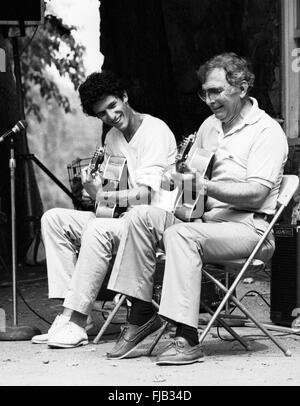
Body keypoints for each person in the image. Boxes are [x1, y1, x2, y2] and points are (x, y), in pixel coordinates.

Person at [106, 52, 288, 365]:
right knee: (141, 216)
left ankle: (186, 339)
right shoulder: (208, 127)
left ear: (242, 88)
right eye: (205, 92)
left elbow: (257, 194)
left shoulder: (267, 132)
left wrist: (206, 188)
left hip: (249, 230)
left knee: (182, 235)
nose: (209, 99)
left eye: (216, 91)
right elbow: (193, 195)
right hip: (203, 223)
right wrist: (178, 182)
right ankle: (141, 312)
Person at [31, 70, 178, 348]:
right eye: (102, 113)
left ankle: (75, 319)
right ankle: (69, 314)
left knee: (98, 228)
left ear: (124, 97)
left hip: (151, 224)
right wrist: (95, 190)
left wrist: (103, 196)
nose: (110, 116)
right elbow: (110, 197)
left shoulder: (154, 131)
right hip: (120, 219)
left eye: (113, 106)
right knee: (53, 219)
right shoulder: (112, 138)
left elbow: (145, 195)